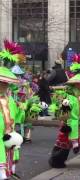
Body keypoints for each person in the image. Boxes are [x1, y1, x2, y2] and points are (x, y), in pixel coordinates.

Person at [0, 40, 24, 179]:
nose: (3, 85)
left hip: (8, 134)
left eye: (5, 83)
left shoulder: (10, 101)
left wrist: (22, 108)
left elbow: (17, 117)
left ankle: (9, 171)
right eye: (1, 83)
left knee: (11, 151)